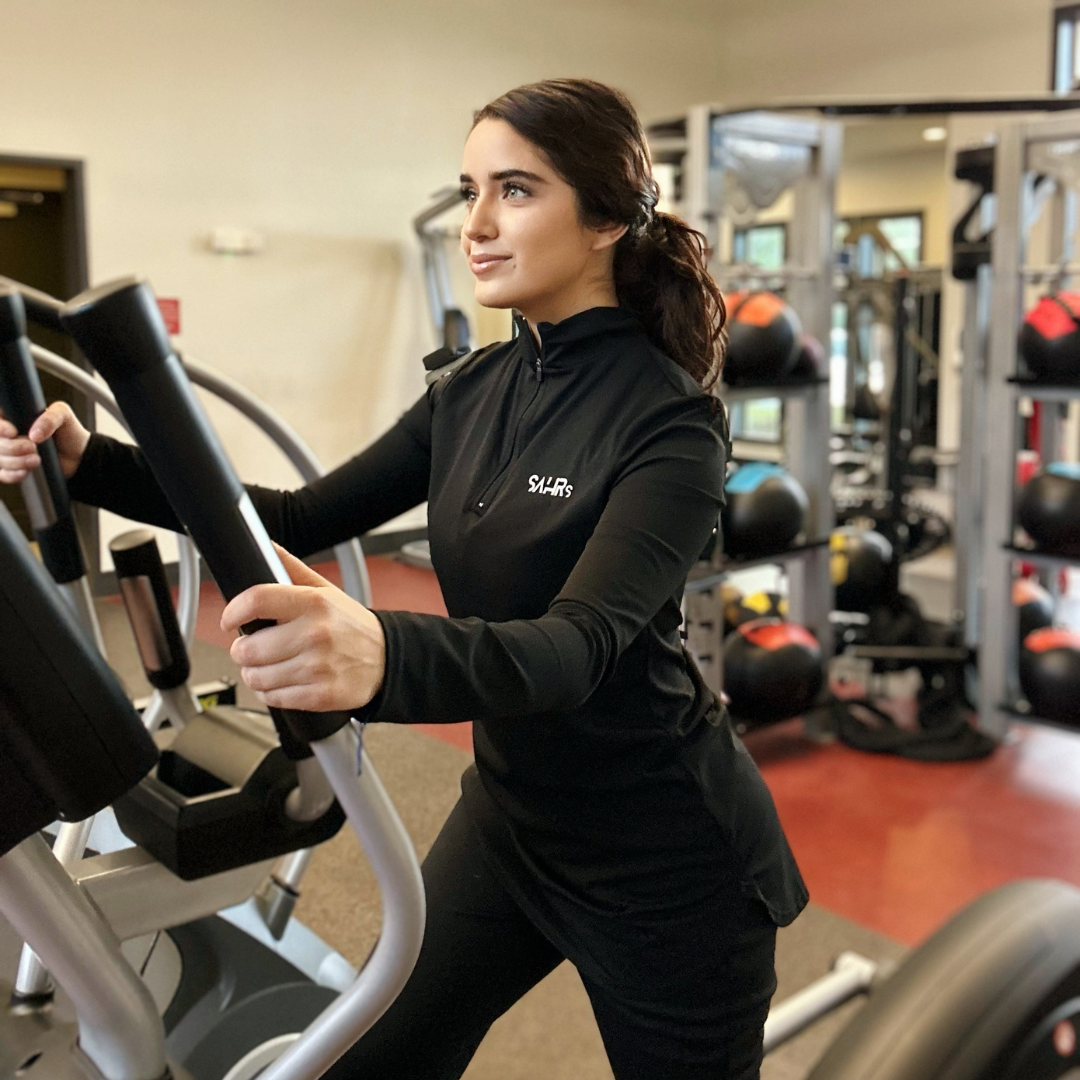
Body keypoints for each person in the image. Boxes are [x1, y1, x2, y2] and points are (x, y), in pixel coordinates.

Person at [0, 79, 807, 1080]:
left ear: (605, 218)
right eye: (467, 189)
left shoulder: (670, 424)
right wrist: (95, 465)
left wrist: (382, 649)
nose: (476, 224)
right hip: (512, 822)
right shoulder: (471, 391)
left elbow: (577, 648)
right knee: (375, 1060)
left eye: (515, 190)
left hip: (667, 854)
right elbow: (292, 517)